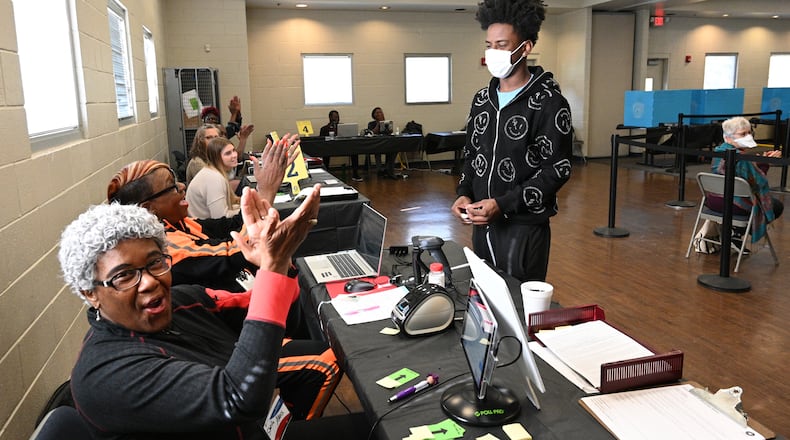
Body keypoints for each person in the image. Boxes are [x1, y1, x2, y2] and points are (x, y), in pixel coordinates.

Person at [58, 186, 342, 439]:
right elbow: (239, 398)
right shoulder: (107, 375)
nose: (149, 282)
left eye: (155, 262)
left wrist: (274, 263)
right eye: (123, 276)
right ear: (90, 293)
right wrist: (273, 268)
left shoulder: (183, 303)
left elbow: (279, 315)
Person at [451, 0, 573, 283]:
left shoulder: (549, 104)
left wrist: (504, 204)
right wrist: (464, 192)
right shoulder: (482, 99)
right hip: (482, 223)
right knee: (486, 303)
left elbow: (557, 170)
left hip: (524, 228)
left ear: (526, 47)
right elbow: (472, 154)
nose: (493, 52)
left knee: (518, 307)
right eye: (489, 44)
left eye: (502, 44)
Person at [107, 135, 300, 293]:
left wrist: (264, 188)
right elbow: (234, 254)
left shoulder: (178, 223)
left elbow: (231, 225)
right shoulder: (164, 247)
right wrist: (267, 190)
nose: (182, 186)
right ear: (149, 209)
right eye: (171, 186)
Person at [709, 116, 783, 245]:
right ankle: (736, 233)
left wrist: (761, 161)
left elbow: (740, 173)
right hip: (734, 205)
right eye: (743, 134)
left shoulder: (718, 152)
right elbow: (758, 184)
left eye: (749, 133)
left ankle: (733, 232)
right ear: (728, 137)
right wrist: (767, 164)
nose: (748, 136)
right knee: (776, 205)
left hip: (713, 201)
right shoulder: (742, 158)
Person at [187, 137, 241, 219]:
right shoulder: (214, 178)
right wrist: (246, 210)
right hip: (205, 228)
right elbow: (220, 217)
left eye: (234, 150)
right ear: (217, 158)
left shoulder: (213, 172)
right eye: (228, 153)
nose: (234, 155)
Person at [187, 123, 255, 187]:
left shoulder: (216, 157)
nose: (213, 140)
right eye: (209, 137)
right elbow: (215, 186)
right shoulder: (196, 163)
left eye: (216, 137)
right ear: (200, 141)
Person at [320, 110, 362, 181]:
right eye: (335, 117)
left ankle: (355, 174)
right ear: (330, 117)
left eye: (337, 117)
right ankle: (326, 173)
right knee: (325, 152)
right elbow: (321, 140)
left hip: (343, 147)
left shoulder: (343, 127)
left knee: (354, 151)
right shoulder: (324, 128)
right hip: (330, 148)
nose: (336, 118)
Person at [367, 107, 398, 179]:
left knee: (394, 150)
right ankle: (379, 170)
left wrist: (385, 123)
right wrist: (379, 123)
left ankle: (389, 169)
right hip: (376, 144)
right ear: (373, 115)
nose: (379, 114)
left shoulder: (387, 122)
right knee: (377, 152)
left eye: (380, 112)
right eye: (377, 113)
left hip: (386, 143)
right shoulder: (371, 124)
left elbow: (390, 132)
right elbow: (372, 133)